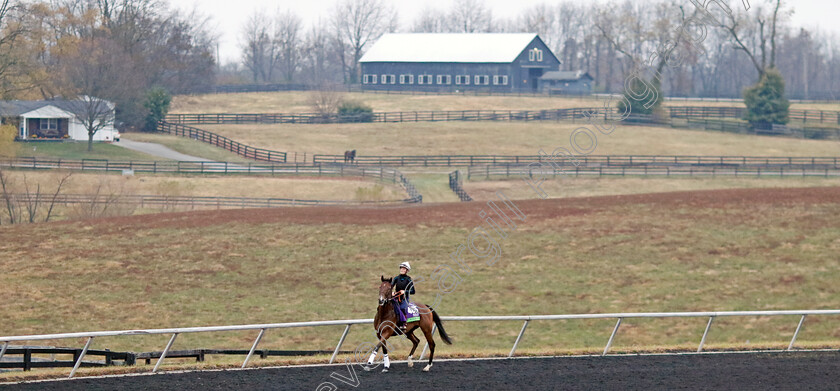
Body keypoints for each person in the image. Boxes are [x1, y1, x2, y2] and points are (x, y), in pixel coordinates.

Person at [391, 262, 415, 332]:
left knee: (402, 308)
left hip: (405, 298)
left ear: (407, 270)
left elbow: (413, 291)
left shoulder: (409, 279)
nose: (402, 269)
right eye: (401, 268)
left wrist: (405, 292)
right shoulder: (396, 278)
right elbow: (391, 286)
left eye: (404, 268)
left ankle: (404, 323)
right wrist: (392, 292)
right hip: (396, 297)